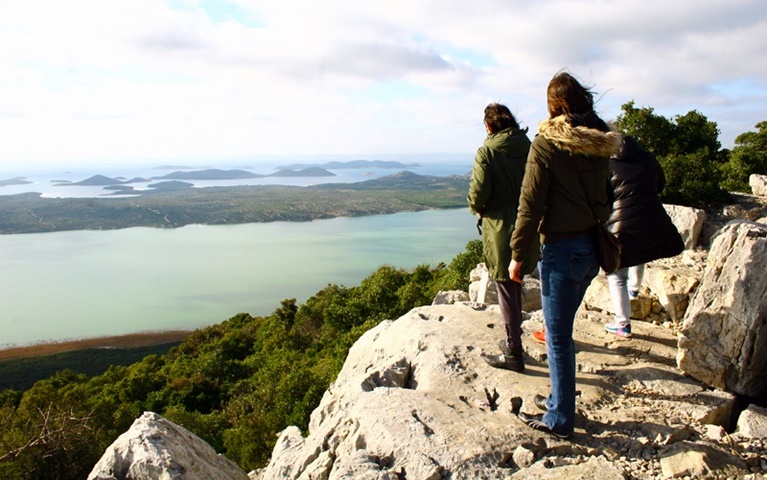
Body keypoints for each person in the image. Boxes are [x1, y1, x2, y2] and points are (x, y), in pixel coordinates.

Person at [509, 72, 622, 438]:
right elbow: (608, 195)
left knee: (557, 337)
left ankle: (559, 419)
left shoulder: (546, 143)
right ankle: (559, 399)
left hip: (562, 249)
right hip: (592, 249)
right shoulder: (601, 142)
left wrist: (517, 255)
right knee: (562, 331)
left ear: (554, 105)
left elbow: (530, 205)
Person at [467, 103, 538, 373]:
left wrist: (477, 209)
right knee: (517, 281)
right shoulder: (531, 147)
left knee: (506, 287)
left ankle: (512, 351)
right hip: (529, 225)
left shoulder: (487, 151)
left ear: (488, 126)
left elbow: (478, 193)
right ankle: (517, 340)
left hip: (499, 227)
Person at [604, 136, 685, 337]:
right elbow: (660, 184)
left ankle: (622, 323)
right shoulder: (648, 158)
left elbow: (603, 196)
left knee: (617, 272)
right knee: (640, 253)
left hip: (621, 222)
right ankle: (634, 290)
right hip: (651, 216)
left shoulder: (607, 163)